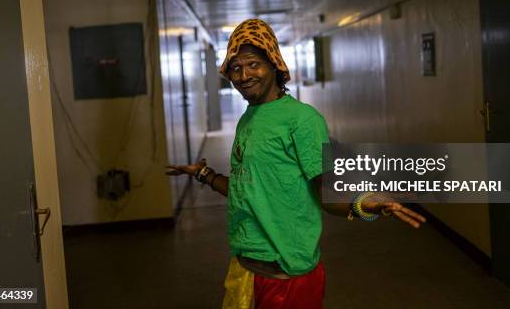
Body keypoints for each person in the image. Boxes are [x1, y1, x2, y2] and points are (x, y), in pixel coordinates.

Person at [166, 19, 426, 309]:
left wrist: (364, 205)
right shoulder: (249, 118)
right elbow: (248, 190)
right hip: (245, 266)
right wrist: (204, 174)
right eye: (236, 67)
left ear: (274, 63)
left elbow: (327, 194)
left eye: (253, 64)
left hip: (287, 274)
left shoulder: (302, 120)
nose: (243, 75)